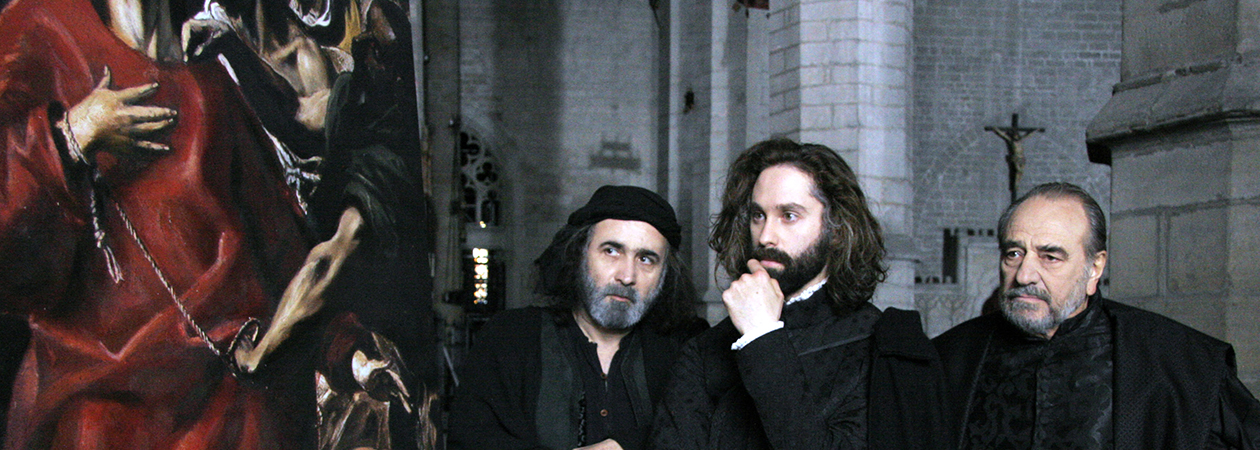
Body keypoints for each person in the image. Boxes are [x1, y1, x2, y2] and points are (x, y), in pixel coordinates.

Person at [0, 0, 320, 447]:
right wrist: (70, 139)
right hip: (103, 410)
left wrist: (346, 349)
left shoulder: (216, 74)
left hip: (234, 405)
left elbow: (283, 249)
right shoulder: (35, 29)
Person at [652, 138, 950, 449]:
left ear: (836, 230)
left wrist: (762, 338)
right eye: (758, 216)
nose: (766, 236)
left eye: (789, 216)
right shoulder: (704, 350)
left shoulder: (879, 346)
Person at [933, 182, 1260, 449]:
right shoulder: (947, 359)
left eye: (1050, 257)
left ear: (1094, 268)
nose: (1024, 275)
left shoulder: (1183, 364)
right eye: (1014, 253)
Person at [448, 185, 708, 450]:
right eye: (611, 251)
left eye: (646, 259)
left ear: (665, 274)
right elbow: (469, 442)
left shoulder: (687, 348)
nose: (627, 276)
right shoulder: (511, 338)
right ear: (579, 253)